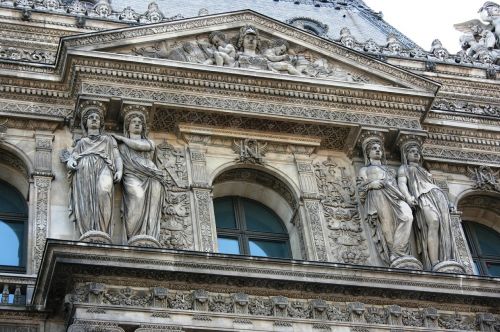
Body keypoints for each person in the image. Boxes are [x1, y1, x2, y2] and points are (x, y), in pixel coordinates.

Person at [397, 142, 458, 270]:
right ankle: (434, 261)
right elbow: (402, 184)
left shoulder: (425, 170)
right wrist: (408, 197)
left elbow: (437, 186)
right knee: (433, 222)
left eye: (418, 152)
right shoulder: (404, 168)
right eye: (412, 151)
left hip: (438, 196)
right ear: (406, 155)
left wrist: (448, 202)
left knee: (444, 228)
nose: (416, 154)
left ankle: (443, 259)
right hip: (422, 197)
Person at [66, 105, 122, 240]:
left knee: (103, 192)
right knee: (86, 199)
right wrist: (70, 161)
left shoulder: (108, 140)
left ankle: (102, 230)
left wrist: (120, 170)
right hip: (84, 169)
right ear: (86, 122)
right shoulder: (81, 142)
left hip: (104, 166)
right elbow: (72, 157)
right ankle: (88, 230)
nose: (94, 119)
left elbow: (117, 156)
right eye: (91, 117)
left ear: (101, 123)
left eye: (97, 118)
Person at [358, 138, 415, 265]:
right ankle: (394, 255)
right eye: (374, 148)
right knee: (387, 225)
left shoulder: (389, 170)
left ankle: (398, 250)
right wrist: (372, 184)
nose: (378, 150)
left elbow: (397, 184)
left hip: (394, 195)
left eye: (379, 149)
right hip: (378, 195)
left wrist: (407, 197)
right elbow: (361, 188)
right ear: (368, 153)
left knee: (407, 217)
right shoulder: (364, 170)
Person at [112, 110, 165, 242]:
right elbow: (118, 160)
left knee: (152, 209)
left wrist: (122, 138)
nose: (137, 124)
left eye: (140, 123)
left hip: (152, 177)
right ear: (127, 126)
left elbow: (139, 146)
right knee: (137, 198)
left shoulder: (149, 143)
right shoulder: (122, 148)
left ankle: (149, 235)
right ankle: (134, 237)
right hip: (131, 176)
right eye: (133, 122)